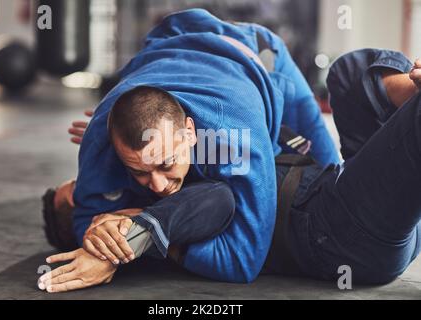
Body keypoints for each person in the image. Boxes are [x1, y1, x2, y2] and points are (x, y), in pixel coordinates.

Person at [37, 9, 421, 293]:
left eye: (164, 165)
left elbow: (149, 129)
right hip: (344, 232)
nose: (154, 186)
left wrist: (113, 135)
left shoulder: (219, 140)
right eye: (74, 194)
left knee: (351, 72)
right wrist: (134, 239)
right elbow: (232, 237)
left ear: (188, 132)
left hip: (333, 189)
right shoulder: (183, 206)